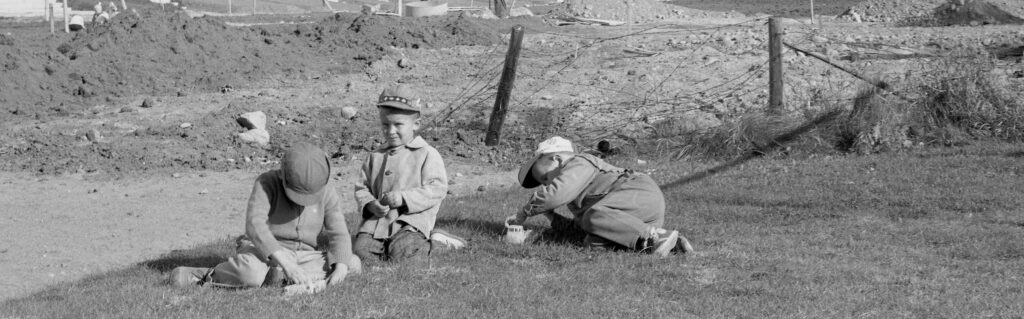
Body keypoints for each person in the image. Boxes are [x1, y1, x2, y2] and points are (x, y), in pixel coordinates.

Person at [168, 142, 360, 288]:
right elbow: (254, 224)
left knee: (353, 263)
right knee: (250, 274)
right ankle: (207, 275)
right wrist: (283, 260)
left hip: (303, 255)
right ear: (283, 176)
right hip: (262, 252)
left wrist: (341, 265)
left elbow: (338, 231)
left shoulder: (326, 189)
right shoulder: (267, 183)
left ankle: (278, 276)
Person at [507, 136, 694, 258]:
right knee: (591, 242)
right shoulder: (577, 192)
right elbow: (581, 227)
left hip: (638, 194)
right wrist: (550, 217)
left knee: (594, 215)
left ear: (556, 159)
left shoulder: (579, 162)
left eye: (546, 178)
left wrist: (525, 212)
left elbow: (556, 195)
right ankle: (667, 244)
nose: (547, 185)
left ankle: (652, 237)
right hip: (628, 218)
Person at [352, 84, 463, 265]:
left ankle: (440, 243)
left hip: (410, 223)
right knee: (360, 253)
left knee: (405, 254)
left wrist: (404, 198)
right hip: (377, 224)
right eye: (385, 125)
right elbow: (362, 188)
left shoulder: (426, 154)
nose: (391, 131)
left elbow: (437, 189)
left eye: (398, 125)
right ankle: (383, 250)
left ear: (416, 124)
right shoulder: (375, 157)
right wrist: (370, 204)